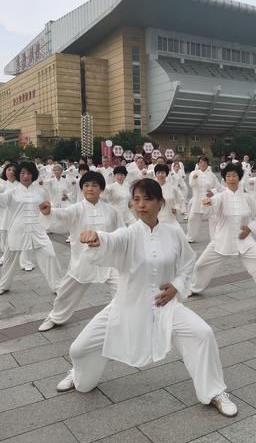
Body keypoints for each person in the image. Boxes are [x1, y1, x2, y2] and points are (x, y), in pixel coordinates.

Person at [55, 179, 237, 417]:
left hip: (165, 305)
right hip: (127, 305)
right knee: (78, 349)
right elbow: (112, 240)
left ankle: (214, 391)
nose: (141, 205)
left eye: (147, 199)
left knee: (202, 333)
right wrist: (98, 238)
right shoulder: (128, 234)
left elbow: (188, 263)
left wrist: (176, 286)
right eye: (136, 199)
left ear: (160, 203)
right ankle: (78, 374)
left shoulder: (173, 232)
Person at [37, 172, 124, 331]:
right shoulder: (76, 209)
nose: (90, 189)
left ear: (101, 189)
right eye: (86, 185)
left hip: (108, 261)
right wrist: (48, 212)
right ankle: (56, 317)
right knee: (66, 292)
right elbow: (61, 216)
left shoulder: (111, 211)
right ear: (82, 188)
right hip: (83, 260)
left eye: (94, 185)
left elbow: (121, 233)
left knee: (124, 288)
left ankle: (124, 318)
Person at [188, 163, 256, 304]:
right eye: (228, 176)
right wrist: (207, 202)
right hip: (222, 240)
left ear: (239, 177)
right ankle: (194, 288)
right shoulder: (221, 196)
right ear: (224, 179)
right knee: (200, 265)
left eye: (234, 175)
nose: (231, 178)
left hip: (244, 240)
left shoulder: (247, 197)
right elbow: (212, 205)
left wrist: (250, 228)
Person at [0, 162, 62, 295]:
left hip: (37, 229)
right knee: (9, 259)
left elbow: (47, 208)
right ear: (18, 175)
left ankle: (58, 286)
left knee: (50, 254)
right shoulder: (11, 192)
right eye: (22, 173)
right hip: (17, 229)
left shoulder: (41, 192)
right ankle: (3, 285)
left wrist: (49, 211)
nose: (25, 176)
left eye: (28, 173)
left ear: (33, 175)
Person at [186, 156, 223, 243]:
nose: (203, 164)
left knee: (213, 219)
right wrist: (194, 178)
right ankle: (190, 237)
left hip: (209, 200)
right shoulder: (193, 173)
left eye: (204, 162)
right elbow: (191, 184)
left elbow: (218, 187)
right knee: (193, 219)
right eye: (201, 162)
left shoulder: (211, 175)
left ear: (207, 164)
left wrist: (212, 192)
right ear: (198, 164)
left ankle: (214, 238)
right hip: (197, 201)